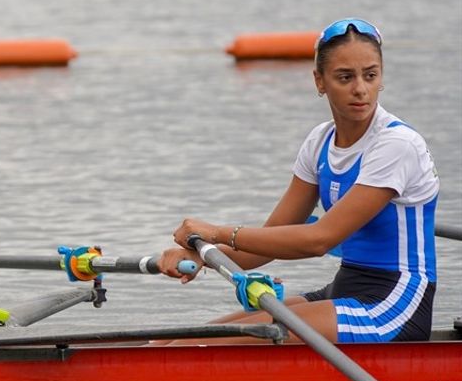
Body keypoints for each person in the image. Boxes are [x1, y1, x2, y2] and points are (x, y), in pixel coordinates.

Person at [159, 18, 439, 343]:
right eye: (345, 77)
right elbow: (265, 244)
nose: (360, 88)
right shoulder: (319, 141)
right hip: (344, 289)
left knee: (200, 347)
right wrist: (200, 256)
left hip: (395, 304)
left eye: (370, 75)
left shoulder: (396, 146)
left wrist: (216, 232)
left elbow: (318, 240)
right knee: (175, 342)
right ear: (320, 81)